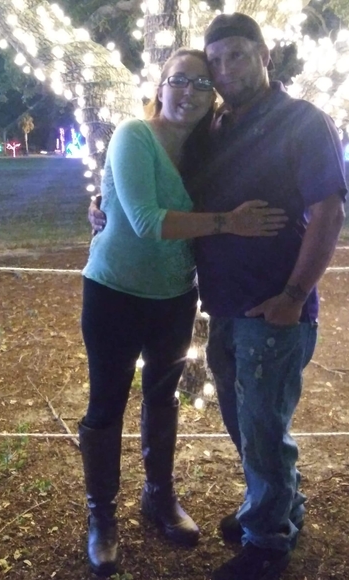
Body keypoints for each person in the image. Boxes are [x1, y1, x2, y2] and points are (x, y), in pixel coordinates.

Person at [89, 14, 347, 580]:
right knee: (244, 421)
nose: (225, 71)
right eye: (215, 62)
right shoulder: (216, 128)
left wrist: (293, 295)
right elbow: (155, 197)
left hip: (274, 307)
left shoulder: (304, 122)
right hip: (222, 305)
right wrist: (104, 203)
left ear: (265, 55)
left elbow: (329, 211)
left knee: (261, 425)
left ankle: (267, 543)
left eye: (237, 56)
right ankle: (277, 506)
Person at [78, 47, 287, 578]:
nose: (189, 92)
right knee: (105, 404)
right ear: (160, 85)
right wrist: (228, 222)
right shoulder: (134, 135)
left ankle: (159, 495)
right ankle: (102, 515)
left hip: (174, 295)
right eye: (179, 80)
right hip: (114, 291)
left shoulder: (204, 150)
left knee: (162, 398)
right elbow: (146, 221)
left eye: (201, 84)